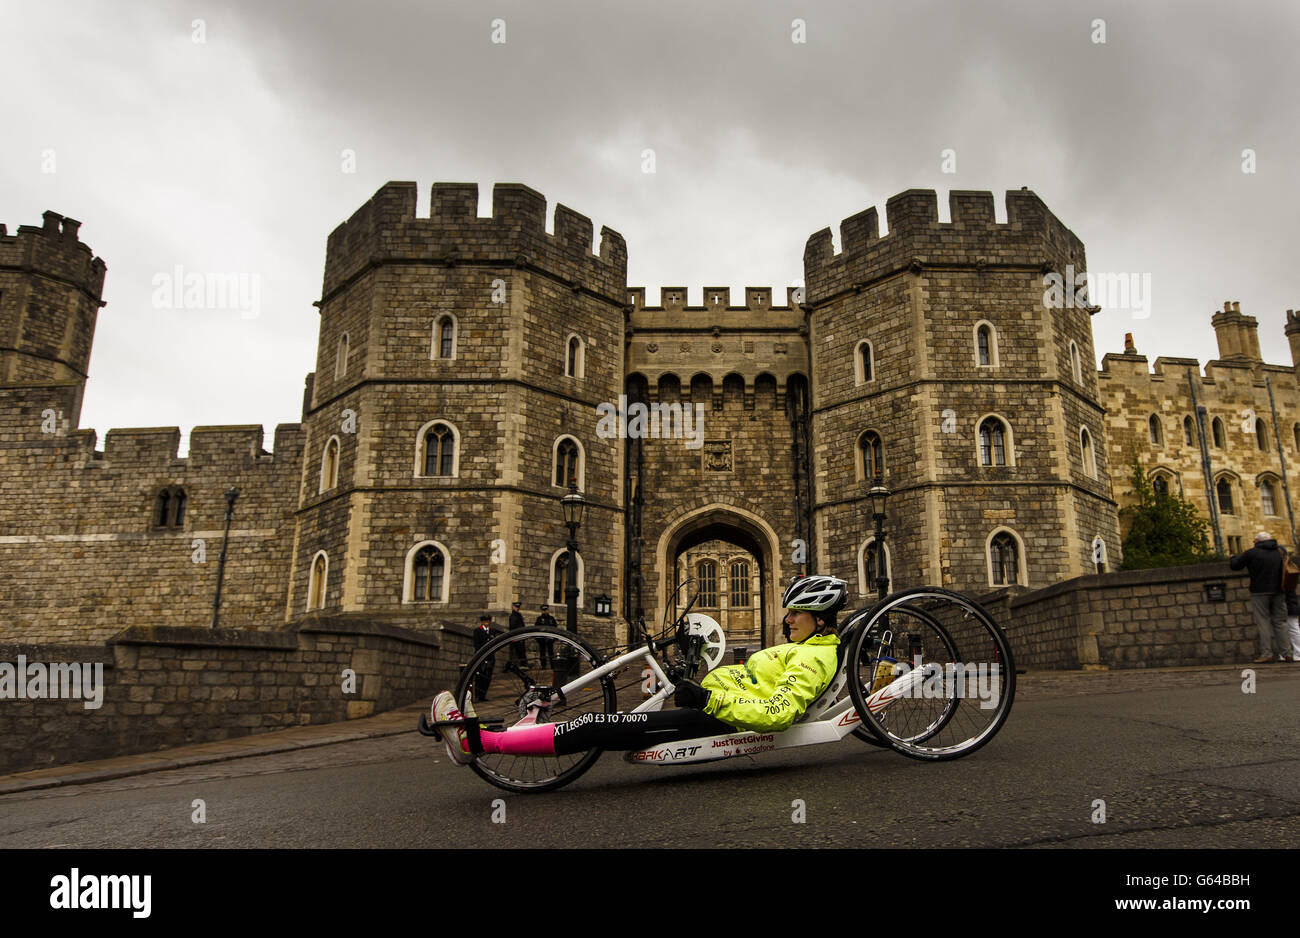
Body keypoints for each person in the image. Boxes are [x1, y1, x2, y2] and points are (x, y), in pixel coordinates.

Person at [430, 575, 849, 764]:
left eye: (798, 614)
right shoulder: (803, 648)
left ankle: (477, 743)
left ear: (822, 620)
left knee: (596, 726)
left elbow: (778, 713)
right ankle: (494, 735)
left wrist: (708, 697)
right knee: (598, 724)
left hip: (715, 721)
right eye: (790, 613)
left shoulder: (814, 657)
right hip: (713, 710)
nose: (788, 620)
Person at [1229, 532, 1290, 663]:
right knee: (1281, 622)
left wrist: (1233, 557)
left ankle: (1267, 653)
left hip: (1259, 591)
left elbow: (1236, 566)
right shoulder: (1281, 551)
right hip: (1279, 590)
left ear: (1257, 541)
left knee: (1263, 622)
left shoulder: (1252, 552)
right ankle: (1286, 653)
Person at [471, 614, 497, 701]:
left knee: (487, 677)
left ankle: (483, 695)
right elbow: (477, 644)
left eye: (488, 621)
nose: (487, 623)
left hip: (490, 657)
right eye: (485, 621)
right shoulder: (477, 631)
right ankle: (478, 695)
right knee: (479, 677)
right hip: (481, 657)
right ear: (482, 622)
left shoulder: (492, 631)